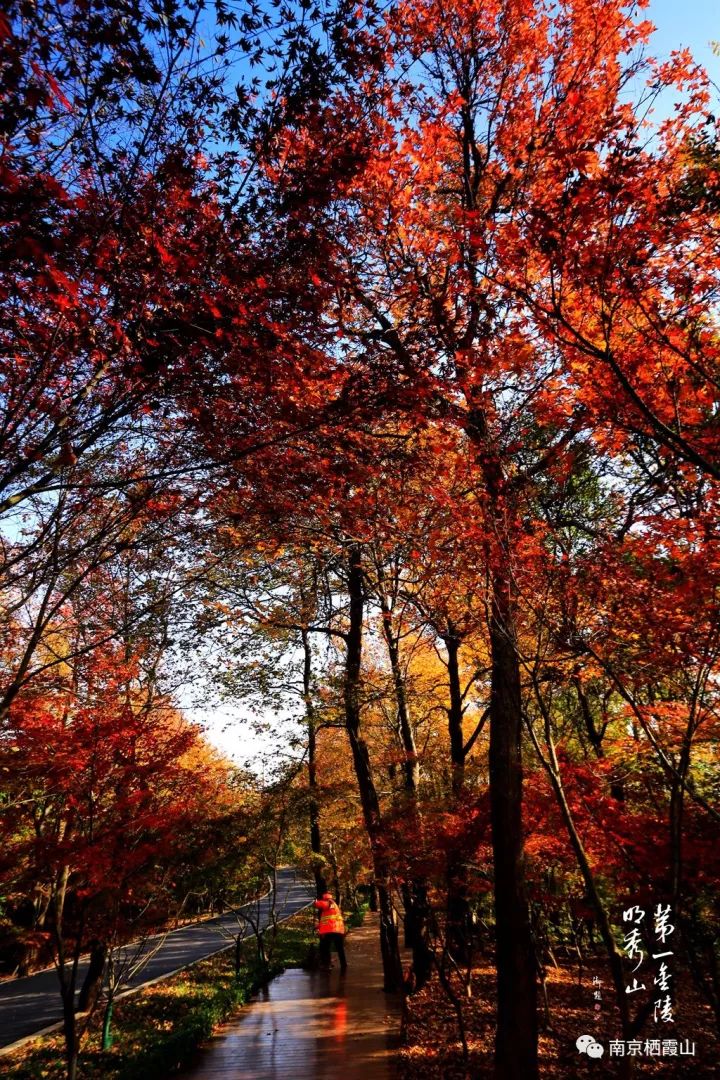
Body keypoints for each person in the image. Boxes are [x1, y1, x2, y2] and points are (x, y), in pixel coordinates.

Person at [314, 891, 347, 972]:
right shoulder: (333, 905)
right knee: (340, 949)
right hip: (338, 930)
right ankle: (344, 964)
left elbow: (321, 904)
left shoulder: (329, 903)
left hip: (330, 931)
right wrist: (318, 926)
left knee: (325, 948)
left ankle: (327, 964)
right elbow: (328, 920)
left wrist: (315, 902)